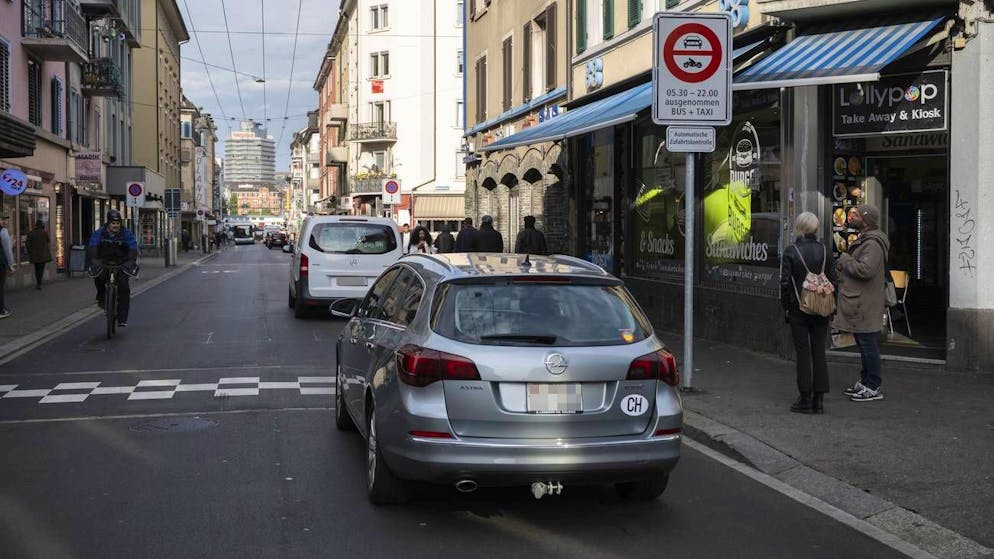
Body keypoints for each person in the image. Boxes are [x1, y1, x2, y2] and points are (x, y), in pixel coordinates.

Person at [780, 212, 836, 414]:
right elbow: (833, 280)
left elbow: (785, 283)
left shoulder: (791, 251)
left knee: (803, 352)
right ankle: (819, 399)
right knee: (819, 351)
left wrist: (786, 308)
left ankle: (804, 397)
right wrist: (833, 307)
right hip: (822, 306)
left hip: (799, 308)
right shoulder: (825, 250)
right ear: (816, 228)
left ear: (799, 227)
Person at [834, 204, 889, 402]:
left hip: (865, 304)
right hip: (861, 302)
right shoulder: (866, 240)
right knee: (864, 343)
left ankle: (873, 386)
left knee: (868, 345)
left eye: (856, 215)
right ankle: (866, 381)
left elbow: (865, 270)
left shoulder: (872, 244)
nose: (851, 217)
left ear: (865, 220)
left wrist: (845, 260)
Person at [87, 209, 139, 328]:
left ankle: (122, 318)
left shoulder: (126, 233)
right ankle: (101, 297)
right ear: (108, 223)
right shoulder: (100, 233)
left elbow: (132, 246)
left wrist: (131, 261)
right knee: (99, 278)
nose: (116, 226)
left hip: (121, 263)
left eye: (118, 223)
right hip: (104, 262)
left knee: (124, 288)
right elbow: (93, 245)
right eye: (113, 223)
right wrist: (94, 260)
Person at [25, 220, 52, 290]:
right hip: (43, 255)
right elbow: (48, 241)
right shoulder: (44, 232)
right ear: (41, 225)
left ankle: (38, 283)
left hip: (34, 255)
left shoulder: (30, 233)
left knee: (37, 268)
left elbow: (27, 244)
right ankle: (39, 283)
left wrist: (29, 252)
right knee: (41, 269)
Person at [0, 212, 15, 318]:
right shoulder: (3, 231)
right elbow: (7, 249)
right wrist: (10, 264)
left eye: (5, 219)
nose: (4, 221)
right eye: (2, 219)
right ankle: (1, 311)